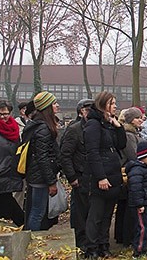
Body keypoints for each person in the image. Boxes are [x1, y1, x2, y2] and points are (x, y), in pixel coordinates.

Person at [83, 91, 127, 259]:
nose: (115, 106)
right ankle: (91, 248)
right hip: (100, 177)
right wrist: (101, 177)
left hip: (113, 175)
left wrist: (118, 127)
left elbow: (120, 145)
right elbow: (92, 153)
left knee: (108, 214)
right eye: (112, 103)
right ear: (104, 105)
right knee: (96, 215)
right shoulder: (93, 125)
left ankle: (103, 245)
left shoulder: (108, 124)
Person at [22, 91, 61, 231]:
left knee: (35, 210)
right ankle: (34, 241)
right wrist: (51, 181)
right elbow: (42, 157)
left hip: (35, 174)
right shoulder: (43, 128)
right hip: (40, 177)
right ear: (47, 107)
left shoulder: (36, 124)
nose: (57, 106)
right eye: (54, 103)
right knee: (37, 212)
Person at [59, 98, 94, 250]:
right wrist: (72, 177)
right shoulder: (74, 129)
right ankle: (81, 242)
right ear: (81, 112)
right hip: (79, 176)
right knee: (80, 212)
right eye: (88, 110)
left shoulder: (95, 128)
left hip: (93, 176)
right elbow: (65, 155)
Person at [114, 107, 144, 246]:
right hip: (128, 173)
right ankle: (125, 236)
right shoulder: (128, 135)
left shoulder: (133, 133)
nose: (141, 120)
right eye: (138, 118)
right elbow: (133, 155)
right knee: (126, 207)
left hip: (129, 171)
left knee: (124, 206)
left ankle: (121, 235)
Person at [0, 100, 24, 226]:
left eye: (5, 113)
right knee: (4, 205)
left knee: (4, 204)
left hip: (9, 172)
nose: (2, 117)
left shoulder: (13, 128)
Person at [127, 141, 147, 258]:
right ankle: (138, 250)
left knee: (145, 226)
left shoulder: (146, 168)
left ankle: (143, 247)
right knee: (142, 227)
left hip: (146, 202)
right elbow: (136, 189)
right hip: (140, 204)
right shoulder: (137, 170)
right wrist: (140, 204)